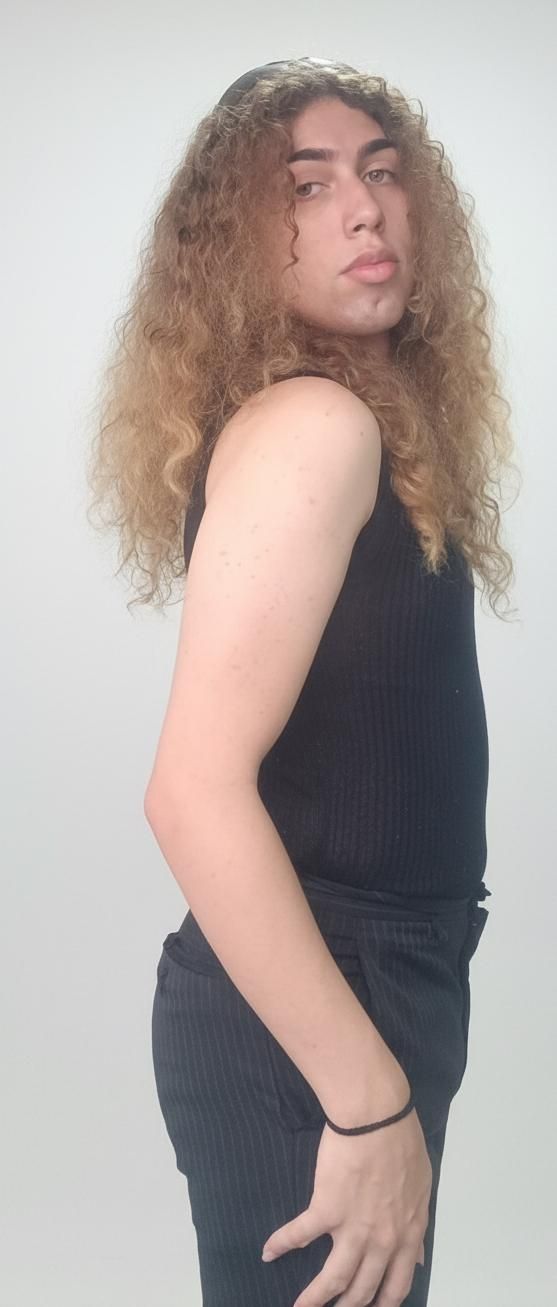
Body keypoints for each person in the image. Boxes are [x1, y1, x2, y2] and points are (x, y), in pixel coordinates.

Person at [86, 56, 519, 1307]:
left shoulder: (355, 421)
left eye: (380, 171)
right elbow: (191, 791)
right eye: (307, 184)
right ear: (233, 241)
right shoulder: (313, 427)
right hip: (321, 1005)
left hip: (364, 983)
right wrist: (368, 1099)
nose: (364, 208)